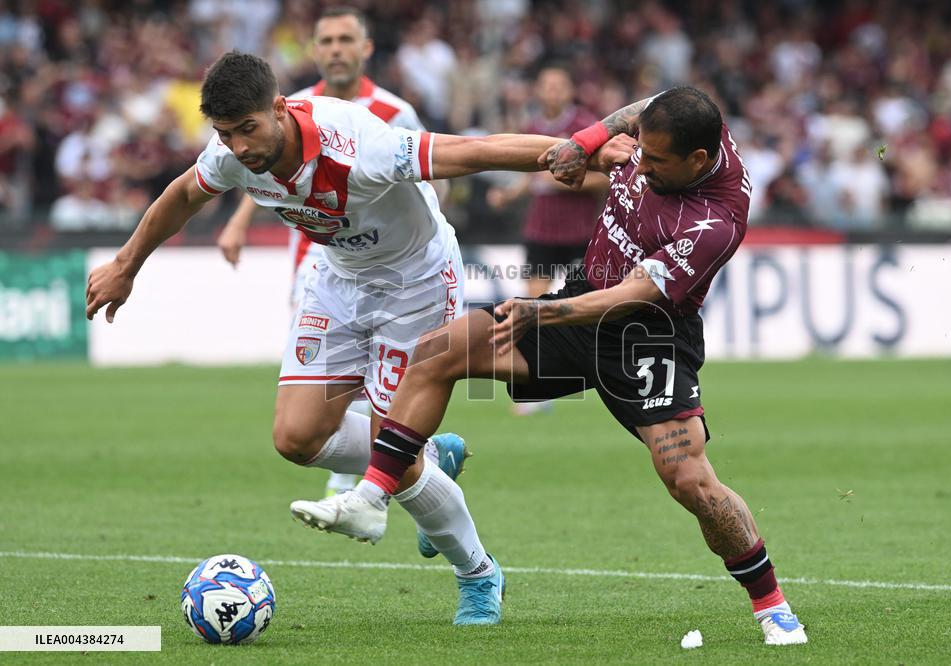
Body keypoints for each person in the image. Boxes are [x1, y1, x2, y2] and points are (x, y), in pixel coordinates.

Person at [85, 51, 609, 625]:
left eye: (247, 129)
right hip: (337, 280)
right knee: (296, 437)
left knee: (398, 461)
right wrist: (126, 266)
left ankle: (477, 573)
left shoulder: (357, 144)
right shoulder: (234, 155)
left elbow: (468, 151)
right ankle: (431, 453)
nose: (237, 147)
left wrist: (572, 149)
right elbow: (184, 194)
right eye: (225, 134)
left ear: (280, 110)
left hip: (417, 284)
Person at [299, 87, 809, 645]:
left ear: (697, 160)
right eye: (641, 148)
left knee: (690, 481)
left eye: (656, 160)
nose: (641, 161)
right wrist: (587, 141)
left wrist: (542, 311)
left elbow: (634, 294)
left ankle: (772, 605)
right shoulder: (681, 127)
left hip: (646, 337)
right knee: (441, 350)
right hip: (584, 295)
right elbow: (644, 108)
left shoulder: (716, 221)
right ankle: (372, 497)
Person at [215, 6, 449, 505]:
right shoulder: (285, 109)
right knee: (324, 382)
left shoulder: (392, 112)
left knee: (376, 380)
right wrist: (238, 222)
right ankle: (397, 466)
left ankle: (376, 481)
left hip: (393, 261)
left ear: (365, 49)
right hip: (320, 258)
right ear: (314, 50)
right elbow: (254, 171)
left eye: (346, 40)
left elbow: (430, 169)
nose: (336, 50)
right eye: (326, 41)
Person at [487, 65, 608, 415]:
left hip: (581, 233)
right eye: (547, 86)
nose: (552, 92)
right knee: (532, 307)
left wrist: (563, 181)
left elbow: (606, 178)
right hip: (541, 231)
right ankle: (537, 390)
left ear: (569, 90)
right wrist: (509, 195)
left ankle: (601, 373)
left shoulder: (587, 126)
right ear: (539, 90)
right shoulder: (534, 128)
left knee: (590, 307)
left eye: (559, 85)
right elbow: (530, 178)